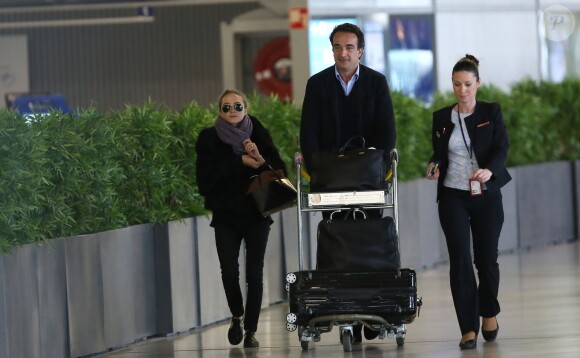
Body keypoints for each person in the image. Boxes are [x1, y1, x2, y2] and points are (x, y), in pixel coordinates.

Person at [299, 22, 397, 343]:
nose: (344, 53)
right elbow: (308, 132)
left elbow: (387, 130)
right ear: (332, 50)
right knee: (337, 242)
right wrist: (317, 169)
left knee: (368, 243)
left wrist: (379, 167)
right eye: (338, 47)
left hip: (368, 178)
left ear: (361, 50)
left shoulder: (376, 83)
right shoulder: (317, 84)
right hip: (331, 178)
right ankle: (344, 311)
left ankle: (371, 310)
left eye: (350, 47)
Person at [425, 54, 511, 350]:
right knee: (460, 259)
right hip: (453, 196)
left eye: (468, 84)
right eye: (457, 84)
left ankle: (488, 312)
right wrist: (434, 164)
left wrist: (491, 170)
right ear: (452, 84)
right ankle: (467, 328)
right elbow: (439, 153)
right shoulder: (440, 117)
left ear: (478, 83)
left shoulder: (491, 111)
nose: (462, 90)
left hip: (486, 195)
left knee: (486, 259)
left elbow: (501, 148)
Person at [195, 89, 287, 349]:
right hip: (226, 215)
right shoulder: (209, 139)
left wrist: (260, 159)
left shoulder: (257, 131)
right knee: (229, 271)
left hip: (257, 213)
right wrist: (240, 162)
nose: (232, 111)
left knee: (254, 273)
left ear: (246, 108)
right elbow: (204, 181)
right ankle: (237, 315)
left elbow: (280, 171)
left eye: (237, 106)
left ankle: (251, 330)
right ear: (219, 112)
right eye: (226, 107)